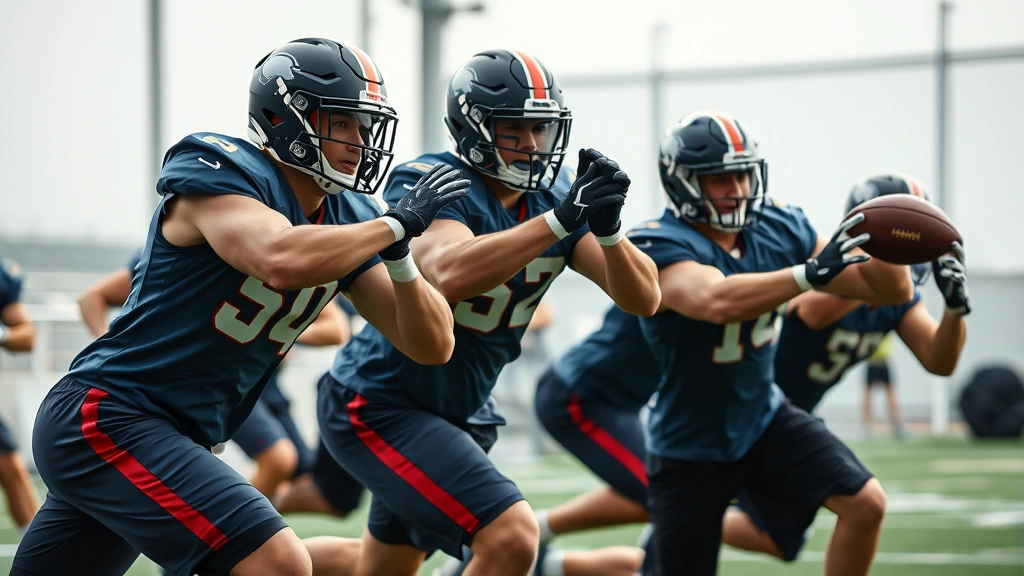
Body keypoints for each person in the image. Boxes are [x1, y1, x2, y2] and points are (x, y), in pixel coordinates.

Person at [14, 37, 468, 576]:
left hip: (171, 432)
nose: (360, 141)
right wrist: (390, 225)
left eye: (365, 125)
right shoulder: (221, 169)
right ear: (284, 117)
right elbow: (279, 259)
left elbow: (431, 344)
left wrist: (400, 255)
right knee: (278, 563)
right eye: (342, 122)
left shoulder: (352, 216)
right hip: (111, 414)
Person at [316, 48, 661, 576]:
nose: (532, 144)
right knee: (511, 537)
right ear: (473, 127)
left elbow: (644, 298)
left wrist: (611, 232)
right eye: (513, 128)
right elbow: (447, 272)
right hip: (383, 399)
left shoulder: (556, 194)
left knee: (380, 566)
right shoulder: (434, 180)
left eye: (540, 128)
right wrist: (559, 221)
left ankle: (246, 562)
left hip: (460, 405)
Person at [629, 111, 917, 576]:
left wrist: (889, 240)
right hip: (689, 444)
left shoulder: (778, 224)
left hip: (764, 416)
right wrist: (808, 275)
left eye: (743, 175)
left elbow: (887, 290)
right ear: (682, 183)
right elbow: (716, 301)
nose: (737, 189)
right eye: (720, 178)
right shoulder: (655, 242)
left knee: (865, 503)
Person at [724, 173, 970, 562]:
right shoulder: (832, 273)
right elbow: (811, 313)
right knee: (859, 504)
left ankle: (681, 518)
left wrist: (955, 310)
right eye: (907, 232)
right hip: (741, 408)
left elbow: (939, 360)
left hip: (789, 417)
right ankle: (674, 513)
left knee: (777, 541)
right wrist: (878, 275)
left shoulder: (898, 302)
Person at [78, 252, 352, 499]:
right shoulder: (174, 254)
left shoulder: (274, 250)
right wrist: (115, 351)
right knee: (278, 459)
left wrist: (281, 331)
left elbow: (337, 330)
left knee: (302, 473)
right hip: (207, 382)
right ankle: (238, 527)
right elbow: (91, 297)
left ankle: (249, 520)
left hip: (261, 384)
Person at [0, 257, 41, 536]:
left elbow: (27, 336)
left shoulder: (4, 276)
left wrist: (2, 333)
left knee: (12, 467)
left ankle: (40, 550)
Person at [862, 333, 903, 435]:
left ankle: (896, 423)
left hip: (884, 361)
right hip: (872, 361)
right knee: (868, 393)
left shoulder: (885, 328)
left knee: (890, 393)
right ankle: (867, 424)